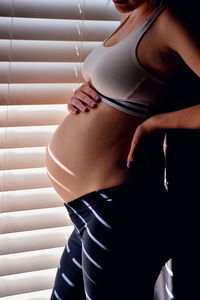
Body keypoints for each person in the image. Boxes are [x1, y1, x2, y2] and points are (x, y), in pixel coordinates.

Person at [46, 0, 200, 299]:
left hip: (121, 210)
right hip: (90, 209)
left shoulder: (170, 19)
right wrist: (84, 93)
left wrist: (158, 122)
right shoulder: (131, 17)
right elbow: (129, 81)